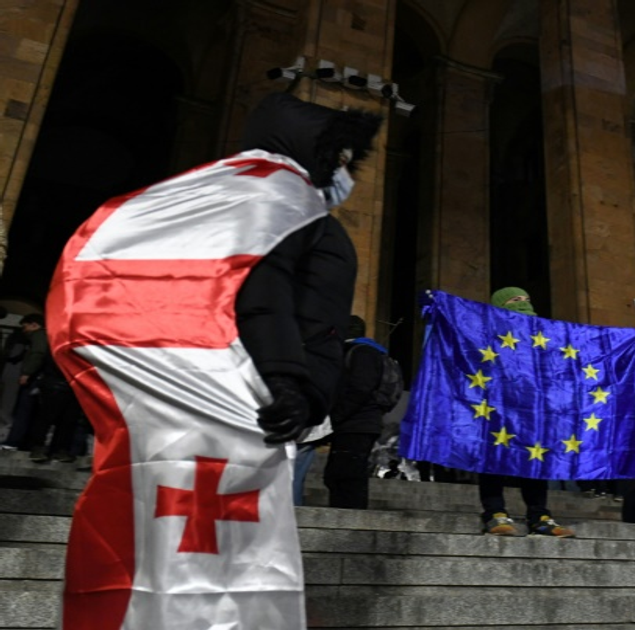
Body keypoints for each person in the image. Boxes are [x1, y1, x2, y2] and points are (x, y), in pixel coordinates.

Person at [48, 92, 383, 628]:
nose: (347, 173)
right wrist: (290, 381)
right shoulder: (283, 197)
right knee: (225, 539)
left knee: (174, 530)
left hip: (229, 383)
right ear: (313, 151)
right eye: (339, 157)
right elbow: (265, 293)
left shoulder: (230, 191)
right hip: (245, 390)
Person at [478, 287, 575, 538]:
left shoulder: (542, 335)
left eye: (526, 299)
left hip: (532, 409)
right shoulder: (485, 332)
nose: (523, 304)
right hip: (497, 405)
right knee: (494, 456)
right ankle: (494, 512)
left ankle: (539, 515)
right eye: (515, 300)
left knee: (535, 457)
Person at [324, 315, 401, 509]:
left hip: (357, 422)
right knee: (340, 474)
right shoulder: (364, 351)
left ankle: (350, 517)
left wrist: (336, 416)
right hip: (357, 422)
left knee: (347, 476)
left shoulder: (362, 353)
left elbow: (360, 388)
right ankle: (346, 514)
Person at [0, 314, 48, 451]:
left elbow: (38, 353)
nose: (24, 330)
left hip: (34, 379)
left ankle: (14, 441)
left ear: (34, 325)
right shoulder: (43, 336)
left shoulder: (38, 336)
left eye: (25, 326)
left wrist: (27, 373)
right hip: (39, 379)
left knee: (24, 410)